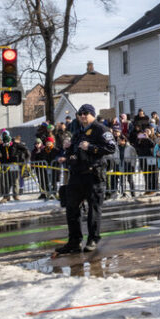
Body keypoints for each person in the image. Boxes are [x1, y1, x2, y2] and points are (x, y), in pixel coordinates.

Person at [54, 104, 115, 254]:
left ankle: (93, 239)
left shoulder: (101, 129)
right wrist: (67, 151)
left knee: (93, 209)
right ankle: (74, 241)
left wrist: (91, 147)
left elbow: (111, 148)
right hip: (77, 175)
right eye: (80, 113)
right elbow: (74, 152)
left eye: (86, 113)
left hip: (93, 175)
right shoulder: (78, 132)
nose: (82, 116)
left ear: (92, 114)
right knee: (71, 208)